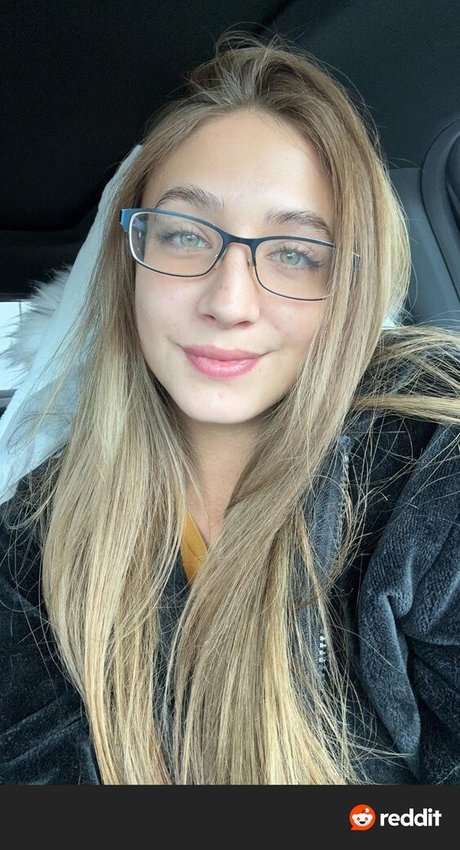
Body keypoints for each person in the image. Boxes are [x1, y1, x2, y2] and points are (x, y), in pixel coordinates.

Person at [0, 32, 459, 786]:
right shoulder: (35, 534)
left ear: (350, 286)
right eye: (185, 236)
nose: (229, 302)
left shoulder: (426, 463)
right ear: (129, 261)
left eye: (294, 253)